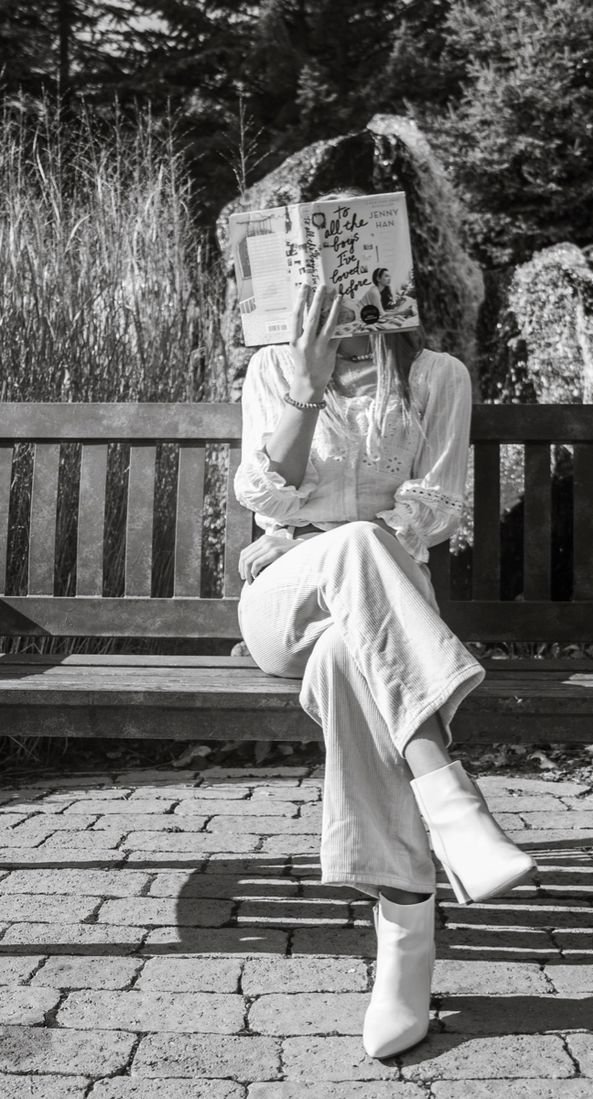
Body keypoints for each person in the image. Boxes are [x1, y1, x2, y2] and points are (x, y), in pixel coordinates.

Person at [234, 281, 536, 1059]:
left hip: (376, 622)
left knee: (348, 655)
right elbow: (263, 494)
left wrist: (318, 533)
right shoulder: (272, 368)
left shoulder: (437, 376)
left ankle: (404, 948)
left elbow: (429, 514)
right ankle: (453, 809)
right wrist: (302, 392)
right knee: (357, 554)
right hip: (284, 607)